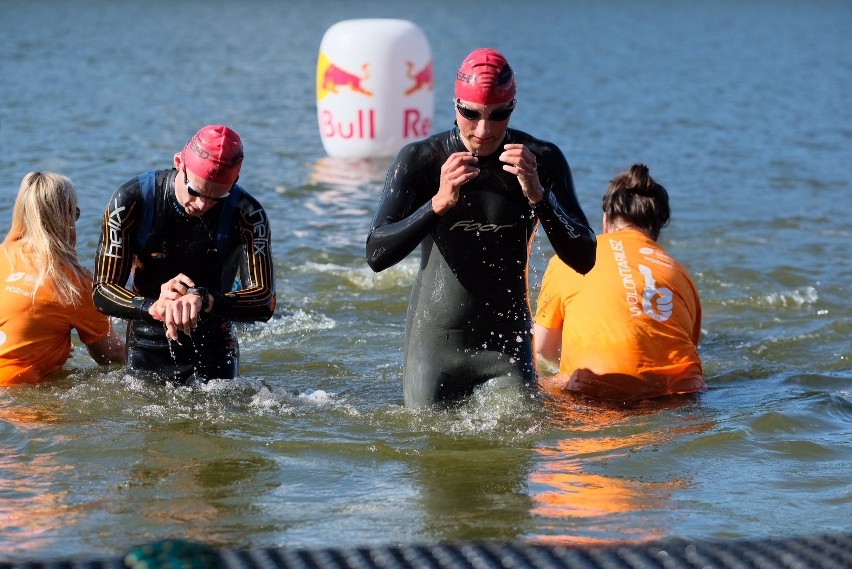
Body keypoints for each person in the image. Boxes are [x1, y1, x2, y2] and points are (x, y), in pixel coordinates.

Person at [366, 48, 597, 409]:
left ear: (513, 107)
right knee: (428, 453)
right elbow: (376, 254)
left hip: (507, 348)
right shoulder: (421, 160)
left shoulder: (541, 161)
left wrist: (539, 198)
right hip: (436, 345)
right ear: (455, 104)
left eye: (498, 115)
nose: (483, 130)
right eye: (470, 114)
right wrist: (436, 204)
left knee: (518, 450)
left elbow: (585, 258)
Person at [93, 125, 275, 384]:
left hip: (215, 342)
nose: (202, 204)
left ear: (235, 182)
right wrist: (155, 306)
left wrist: (205, 300)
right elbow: (102, 292)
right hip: (148, 338)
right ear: (179, 163)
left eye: (218, 197)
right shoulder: (130, 201)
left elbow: (264, 301)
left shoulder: (248, 214)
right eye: (195, 191)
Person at [534, 163, 704, 402]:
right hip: (680, 395)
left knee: (540, 384)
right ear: (658, 228)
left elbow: (543, 348)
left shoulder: (571, 257)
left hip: (596, 393)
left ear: (606, 219)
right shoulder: (680, 273)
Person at [0, 172, 125, 386]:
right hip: (17, 393)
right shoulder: (71, 283)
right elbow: (110, 355)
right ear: (65, 217)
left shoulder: (3, 254)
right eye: (74, 213)